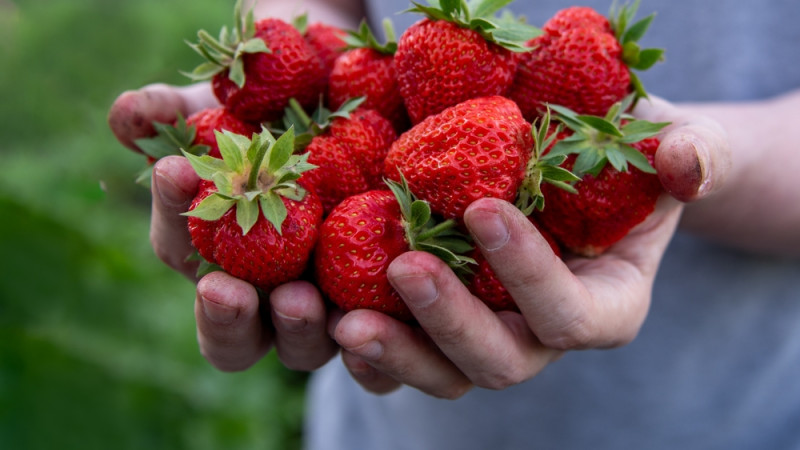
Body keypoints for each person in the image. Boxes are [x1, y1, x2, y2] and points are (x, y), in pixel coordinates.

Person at [107, 0, 800, 448]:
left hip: (730, 412)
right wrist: (290, 56)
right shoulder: (443, 134)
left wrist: (679, 167)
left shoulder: (507, 138)